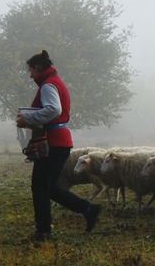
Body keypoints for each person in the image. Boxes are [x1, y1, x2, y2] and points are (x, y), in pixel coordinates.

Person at [15, 50, 101, 243]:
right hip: (60, 141)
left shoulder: (48, 85)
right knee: (51, 187)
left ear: (38, 68)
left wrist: (27, 118)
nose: (30, 76)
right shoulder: (56, 82)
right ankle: (88, 209)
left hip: (52, 142)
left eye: (30, 71)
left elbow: (54, 109)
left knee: (40, 188)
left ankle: (43, 232)